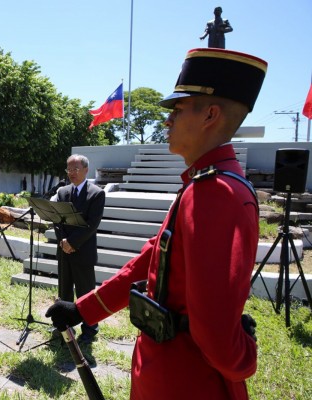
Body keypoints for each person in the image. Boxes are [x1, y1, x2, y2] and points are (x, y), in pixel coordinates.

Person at [46, 48, 267, 399]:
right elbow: (154, 260)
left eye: (177, 111)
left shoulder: (218, 193)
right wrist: (82, 308)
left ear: (211, 114)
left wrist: (245, 358)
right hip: (164, 371)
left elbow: (213, 333)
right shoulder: (202, 184)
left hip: (186, 380)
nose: (167, 121)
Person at [53, 154, 105, 344]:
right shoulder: (63, 192)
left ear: (85, 170)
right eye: (69, 169)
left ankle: (90, 329)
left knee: (86, 293)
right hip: (64, 251)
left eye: (75, 169)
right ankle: (65, 327)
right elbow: (57, 221)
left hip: (83, 251)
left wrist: (72, 243)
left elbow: (92, 224)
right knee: (64, 290)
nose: (71, 173)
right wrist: (63, 242)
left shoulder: (96, 193)